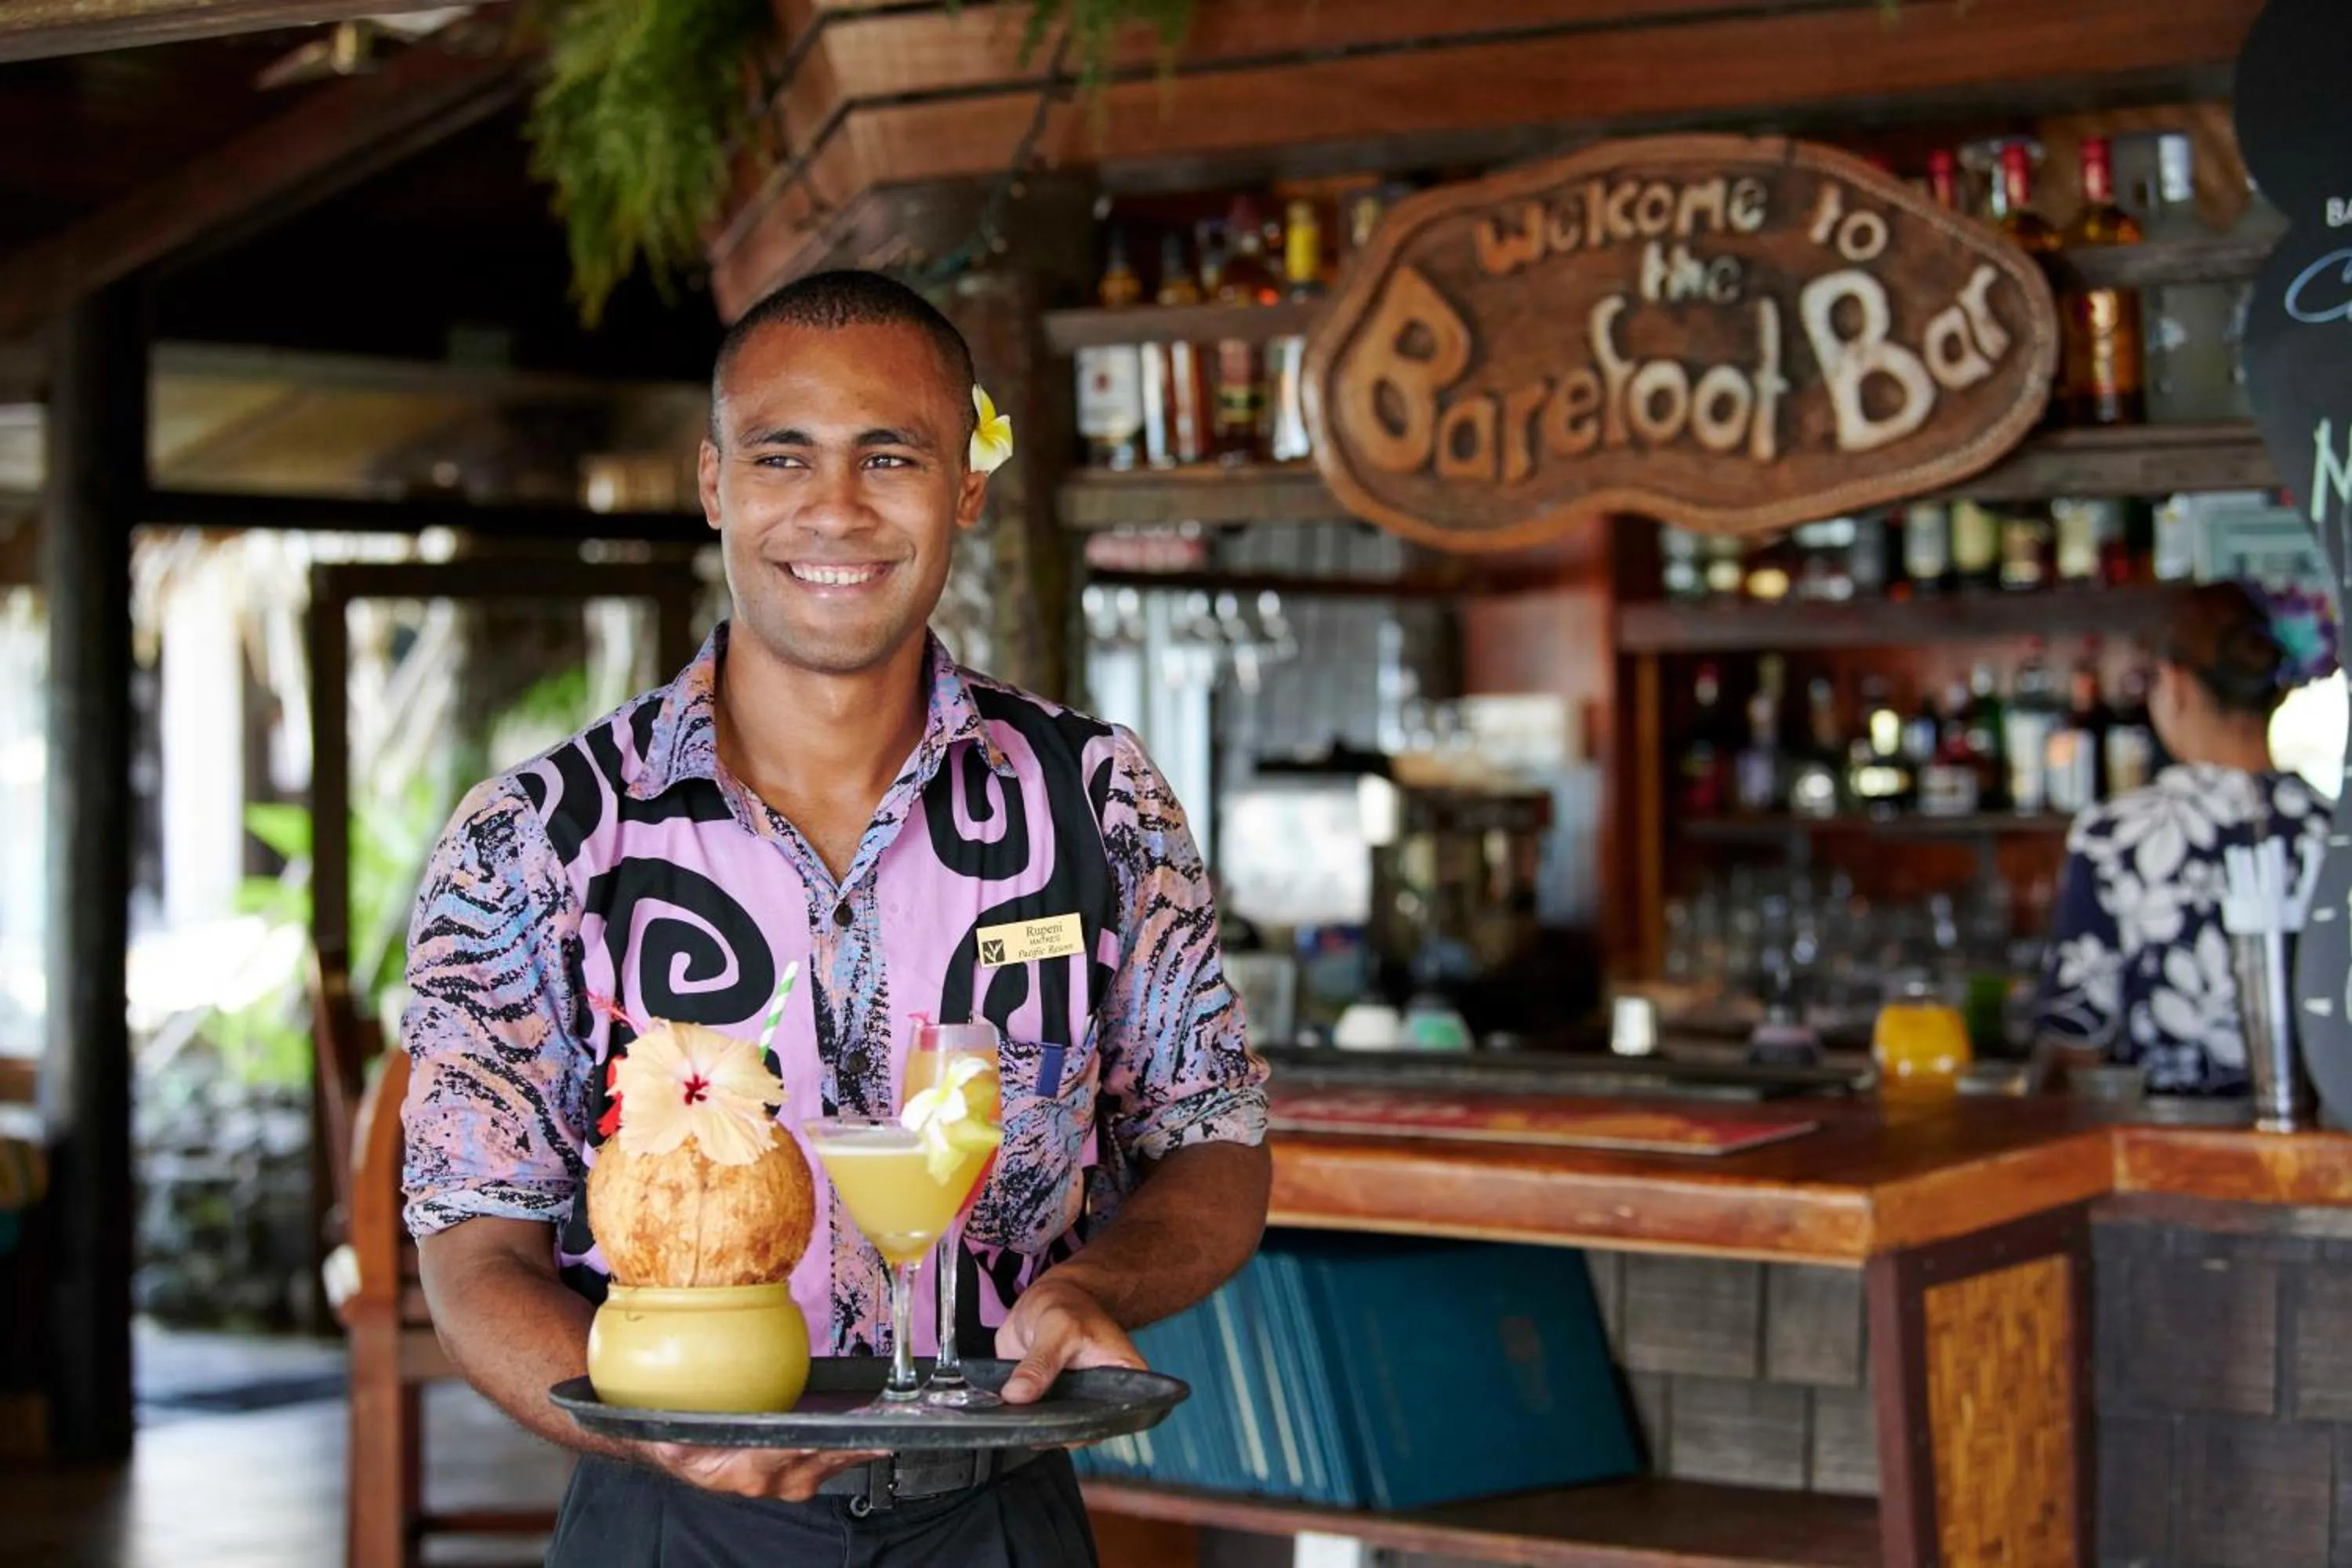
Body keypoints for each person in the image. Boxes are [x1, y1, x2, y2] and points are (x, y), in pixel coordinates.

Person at [400, 270, 1272, 1564]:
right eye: (783, 455)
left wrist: (1090, 1290)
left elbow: (1216, 1144)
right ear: (715, 486)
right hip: (668, 1523)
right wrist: (653, 1428)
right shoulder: (540, 839)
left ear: (965, 488)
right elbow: (474, 1251)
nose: (836, 509)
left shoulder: (1098, 801)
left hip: (997, 1514)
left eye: (890, 455)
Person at [2033, 581, 2333, 1094]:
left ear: (2174, 686)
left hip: (2164, 1150)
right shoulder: (2331, 828)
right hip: (2326, 1152)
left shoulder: (2116, 837)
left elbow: (2076, 1034)